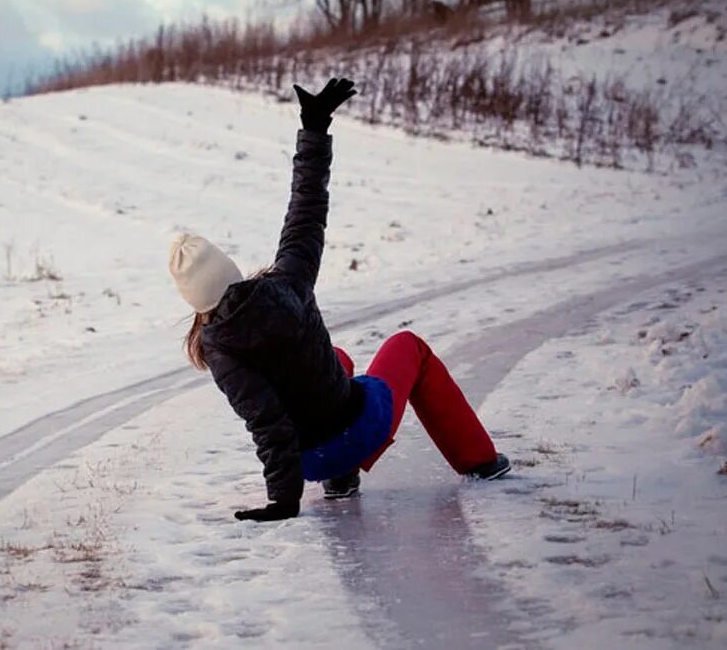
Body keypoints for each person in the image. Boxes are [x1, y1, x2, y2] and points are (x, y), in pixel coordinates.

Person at [167, 78, 510, 523]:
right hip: (363, 427)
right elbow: (306, 209)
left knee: (337, 357)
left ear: (195, 301)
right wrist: (314, 128)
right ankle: (480, 460)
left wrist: (284, 501)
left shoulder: (216, 347)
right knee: (409, 347)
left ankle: (340, 478)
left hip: (310, 461)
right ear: (228, 270)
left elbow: (266, 424)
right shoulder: (287, 283)